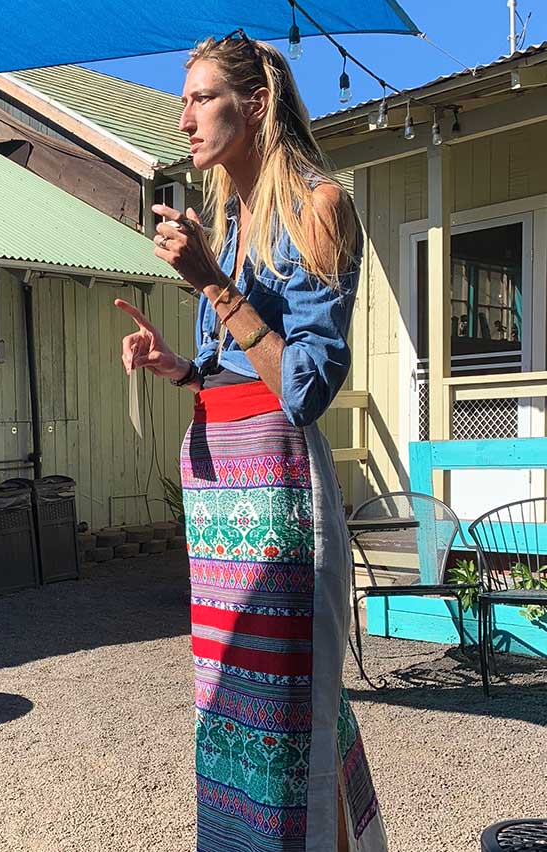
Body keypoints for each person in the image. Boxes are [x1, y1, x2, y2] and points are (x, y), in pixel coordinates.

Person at [116, 32, 385, 852]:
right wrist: (181, 368)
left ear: (256, 103)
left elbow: (304, 387)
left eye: (201, 97)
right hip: (221, 493)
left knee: (296, 708)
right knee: (233, 712)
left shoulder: (319, 207)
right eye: (185, 97)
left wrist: (214, 284)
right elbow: (239, 370)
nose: (183, 116)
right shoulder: (227, 221)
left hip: (277, 492)